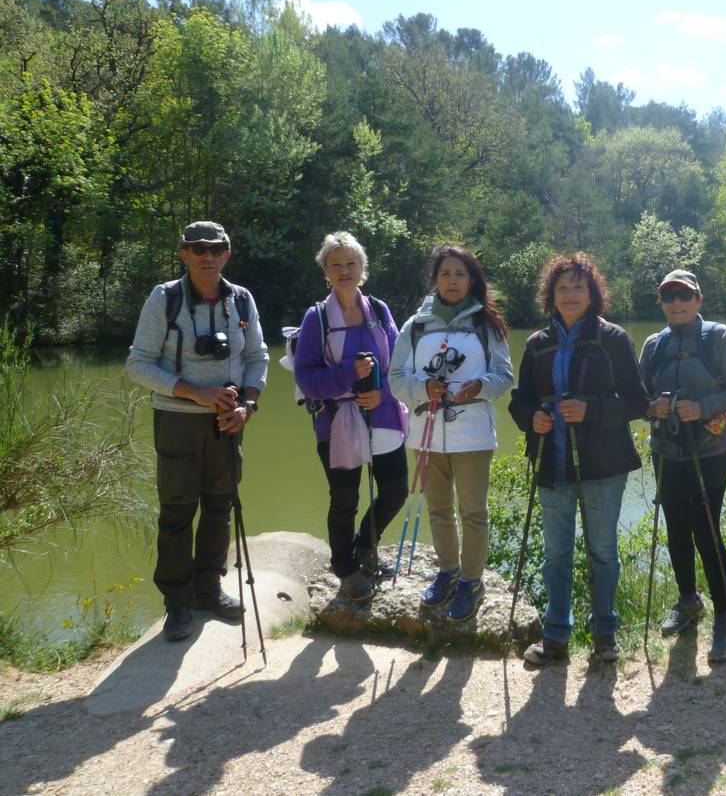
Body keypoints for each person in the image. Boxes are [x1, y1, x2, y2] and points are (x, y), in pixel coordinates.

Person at [126, 221, 269, 642]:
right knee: (176, 512)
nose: (207, 256)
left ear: (228, 254)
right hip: (176, 421)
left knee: (220, 507)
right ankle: (177, 602)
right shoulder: (165, 298)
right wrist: (196, 392)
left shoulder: (241, 300)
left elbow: (258, 357)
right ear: (184, 254)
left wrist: (248, 405)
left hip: (228, 422)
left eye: (216, 249)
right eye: (198, 249)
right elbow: (138, 364)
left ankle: (208, 590)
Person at [510, 253, 650, 665]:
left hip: (603, 465)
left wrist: (591, 409)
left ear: (592, 294)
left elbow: (638, 402)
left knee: (602, 551)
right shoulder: (537, 344)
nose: (570, 295)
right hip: (551, 464)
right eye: (562, 287)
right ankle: (556, 636)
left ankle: (605, 633)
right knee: (556, 554)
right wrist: (530, 418)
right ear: (550, 296)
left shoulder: (614, 340)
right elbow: (521, 400)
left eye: (578, 287)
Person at [389, 246, 513, 622]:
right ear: (436, 279)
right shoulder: (415, 326)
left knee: (473, 511)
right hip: (425, 433)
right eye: (446, 274)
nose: (453, 281)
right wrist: (423, 389)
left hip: (473, 435)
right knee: (439, 509)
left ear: (472, 280)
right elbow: (396, 379)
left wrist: (479, 386)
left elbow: (505, 376)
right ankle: (448, 571)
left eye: (461, 274)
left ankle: (472, 581)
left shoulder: (485, 324)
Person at [640, 270, 726, 663]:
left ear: (698, 299)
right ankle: (689, 601)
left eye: (684, 295)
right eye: (669, 296)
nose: (676, 302)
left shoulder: (717, 337)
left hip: (710, 451)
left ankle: (725, 616)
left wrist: (700, 408)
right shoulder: (654, 345)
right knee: (676, 531)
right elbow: (639, 397)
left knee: (707, 530)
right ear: (662, 303)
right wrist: (653, 407)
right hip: (667, 451)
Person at [293, 232, 410, 603]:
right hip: (337, 419)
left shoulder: (379, 310)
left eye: (351, 263)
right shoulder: (316, 318)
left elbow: (398, 365)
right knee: (344, 498)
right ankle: (345, 569)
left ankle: (365, 544)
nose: (344, 271)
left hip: (382, 413)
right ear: (325, 271)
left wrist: (383, 393)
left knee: (394, 490)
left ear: (363, 268)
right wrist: (349, 373)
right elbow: (308, 380)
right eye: (335, 264)